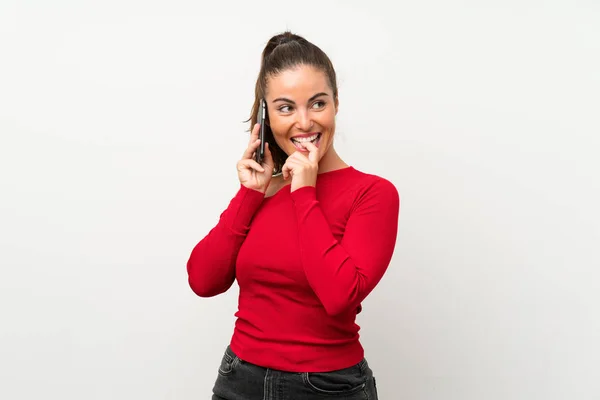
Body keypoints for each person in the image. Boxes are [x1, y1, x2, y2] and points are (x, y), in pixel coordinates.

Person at [187, 31, 400, 400]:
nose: (304, 122)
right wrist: (250, 194)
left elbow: (339, 297)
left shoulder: (373, 194)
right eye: (286, 108)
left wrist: (304, 191)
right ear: (268, 115)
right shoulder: (261, 193)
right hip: (239, 380)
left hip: (328, 387)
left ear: (336, 103)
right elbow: (203, 281)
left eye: (317, 103)